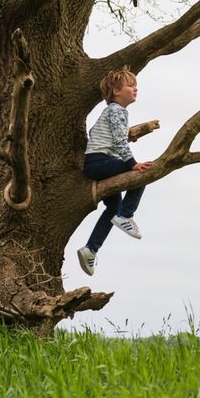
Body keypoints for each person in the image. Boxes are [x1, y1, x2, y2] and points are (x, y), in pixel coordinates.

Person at [77, 68, 152, 276]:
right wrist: (132, 164)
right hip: (100, 162)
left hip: (96, 162)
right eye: (130, 86)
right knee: (142, 174)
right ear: (117, 92)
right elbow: (120, 142)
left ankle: (90, 249)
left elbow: (94, 133)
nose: (135, 88)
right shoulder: (118, 111)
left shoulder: (109, 112)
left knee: (112, 209)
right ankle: (127, 215)